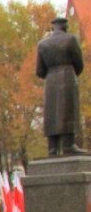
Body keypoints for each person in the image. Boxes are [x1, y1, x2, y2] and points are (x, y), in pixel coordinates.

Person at [36, 17, 86, 156]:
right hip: (67, 77)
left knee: (51, 112)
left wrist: (50, 74)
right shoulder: (71, 39)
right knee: (68, 110)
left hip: (50, 80)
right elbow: (79, 64)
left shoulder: (42, 44)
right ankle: (68, 145)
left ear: (53, 28)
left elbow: (39, 70)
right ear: (65, 27)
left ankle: (52, 148)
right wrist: (71, 72)